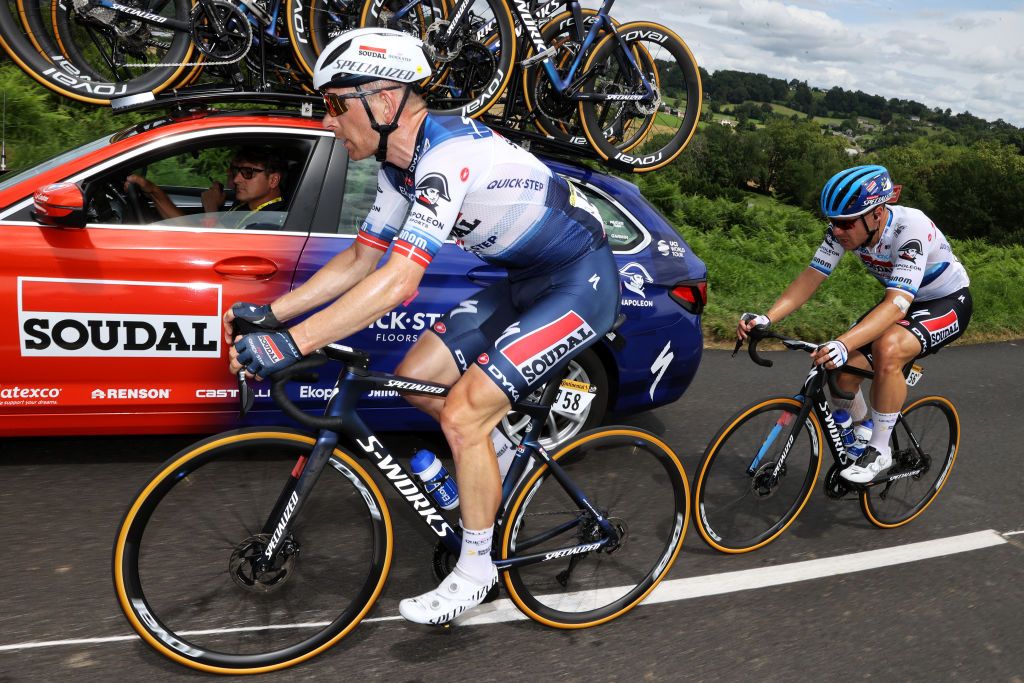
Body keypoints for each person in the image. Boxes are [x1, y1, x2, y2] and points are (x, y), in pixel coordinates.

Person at [223, 28, 619, 624]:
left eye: (335, 104)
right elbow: (361, 259)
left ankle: (477, 569)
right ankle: (496, 453)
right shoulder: (396, 170)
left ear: (384, 102)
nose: (328, 121)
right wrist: (273, 315)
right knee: (414, 380)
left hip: (579, 282)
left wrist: (291, 342)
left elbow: (400, 281)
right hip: (521, 282)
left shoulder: (447, 157)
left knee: (462, 413)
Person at [737, 164, 971, 484]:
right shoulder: (842, 231)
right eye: (832, 222)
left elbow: (897, 305)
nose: (838, 231)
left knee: (887, 348)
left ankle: (879, 449)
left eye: (846, 223)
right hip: (900, 300)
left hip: (945, 303)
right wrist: (767, 317)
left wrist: (843, 342)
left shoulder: (910, 229)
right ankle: (864, 434)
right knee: (841, 373)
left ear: (876, 214)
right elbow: (810, 278)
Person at [125, 145, 285, 221]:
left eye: (247, 173)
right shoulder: (246, 206)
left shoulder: (271, 219)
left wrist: (211, 207)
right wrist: (153, 191)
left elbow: (212, 245)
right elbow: (191, 231)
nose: (236, 179)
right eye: (237, 171)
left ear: (273, 180)